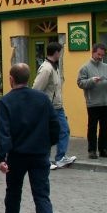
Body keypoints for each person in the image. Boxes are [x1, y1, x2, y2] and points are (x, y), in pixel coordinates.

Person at [0, 63, 60, 213]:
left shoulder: (6, 102)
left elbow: (4, 133)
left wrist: (2, 157)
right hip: (39, 154)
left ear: (11, 79)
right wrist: (48, 143)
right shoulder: (42, 99)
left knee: (13, 193)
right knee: (42, 197)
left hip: (17, 155)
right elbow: (55, 125)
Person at [32, 42, 77, 170]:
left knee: (64, 130)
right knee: (47, 134)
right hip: (48, 107)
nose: (61, 54)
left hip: (57, 106)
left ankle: (60, 158)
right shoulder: (46, 68)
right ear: (56, 53)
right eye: (60, 52)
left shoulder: (54, 66)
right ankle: (45, 160)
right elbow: (36, 88)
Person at [77, 43, 107, 160]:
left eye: (102, 55)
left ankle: (103, 149)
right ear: (93, 52)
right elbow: (80, 83)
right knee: (92, 128)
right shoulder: (85, 68)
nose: (100, 57)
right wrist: (91, 81)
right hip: (93, 103)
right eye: (98, 54)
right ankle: (92, 150)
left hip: (106, 101)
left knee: (105, 127)